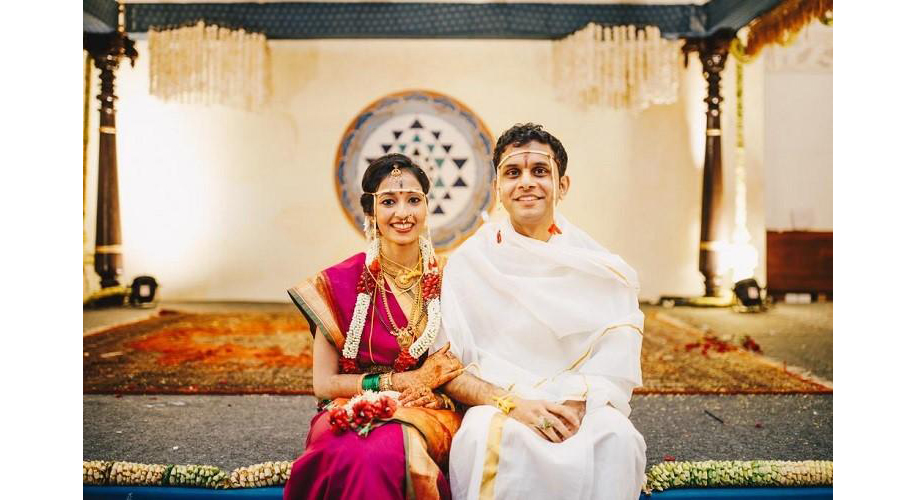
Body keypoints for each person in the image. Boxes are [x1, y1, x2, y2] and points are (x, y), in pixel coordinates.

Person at [434, 123, 647, 500]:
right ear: (498, 189)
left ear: (562, 185)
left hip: (579, 402)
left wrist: (577, 403)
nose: (526, 182)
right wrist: (513, 404)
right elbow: (449, 365)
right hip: (500, 403)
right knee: (483, 436)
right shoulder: (471, 262)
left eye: (540, 171)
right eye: (513, 173)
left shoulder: (598, 266)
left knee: (617, 438)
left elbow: (617, 351)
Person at [284, 153, 465, 500]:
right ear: (371, 212)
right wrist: (396, 382)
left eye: (413, 200)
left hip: (428, 409)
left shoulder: (452, 279)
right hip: (351, 404)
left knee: (383, 453)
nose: (403, 213)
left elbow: (466, 362)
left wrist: (432, 390)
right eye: (389, 202)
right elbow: (323, 384)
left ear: (427, 207)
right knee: (353, 451)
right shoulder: (339, 282)